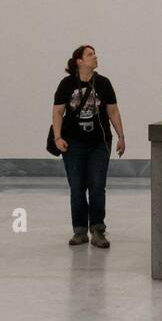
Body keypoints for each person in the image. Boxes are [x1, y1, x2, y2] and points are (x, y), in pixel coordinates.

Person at [51, 45, 125, 247]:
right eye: (90, 54)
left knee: (97, 187)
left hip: (99, 143)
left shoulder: (103, 83)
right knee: (77, 187)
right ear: (79, 61)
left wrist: (121, 136)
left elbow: (113, 111)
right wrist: (58, 138)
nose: (95, 57)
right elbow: (57, 112)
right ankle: (80, 231)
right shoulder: (66, 84)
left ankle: (98, 230)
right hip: (73, 144)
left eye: (94, 54)